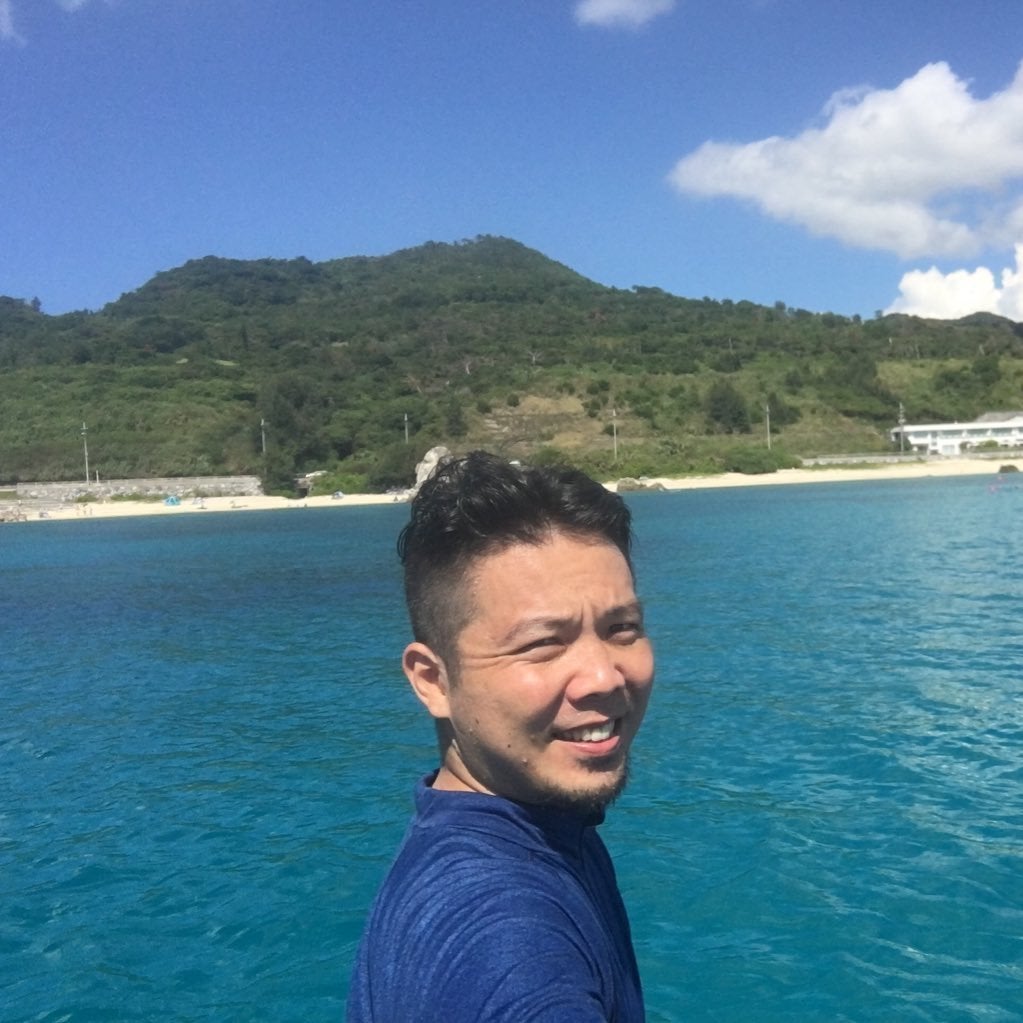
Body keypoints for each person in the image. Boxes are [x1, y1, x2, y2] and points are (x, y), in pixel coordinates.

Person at [347, 451, 655, 1022]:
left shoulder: (536, 828)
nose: (604, 677)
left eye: (622, 629)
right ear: (433, 681)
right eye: (542, 644)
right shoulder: (508, 942)